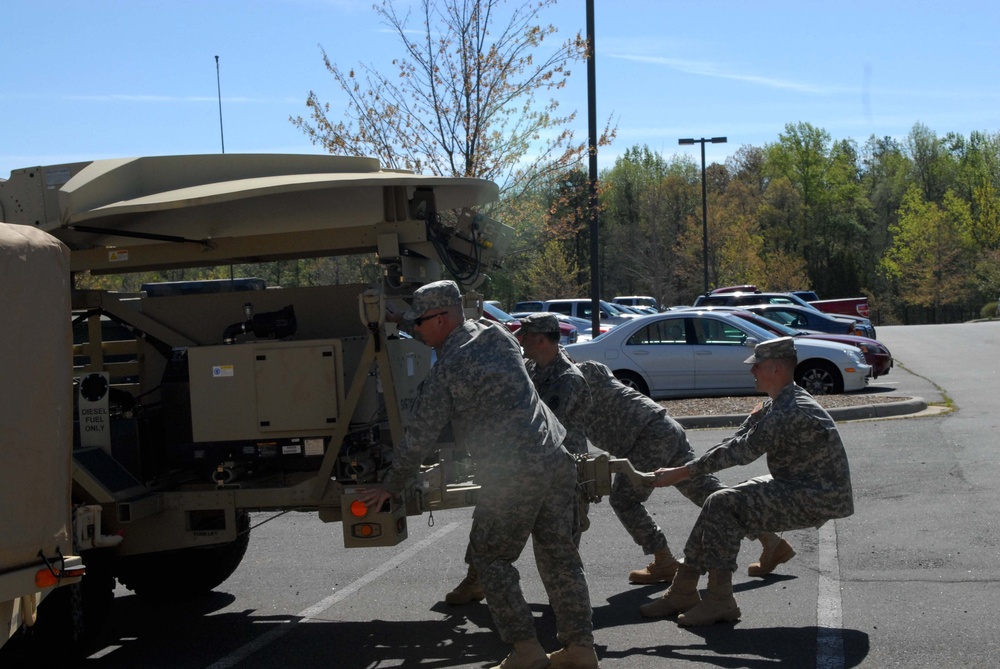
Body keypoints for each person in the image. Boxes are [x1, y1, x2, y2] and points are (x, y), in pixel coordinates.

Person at [358, 281, 598, 669]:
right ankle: (580, 650)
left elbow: (418, 438)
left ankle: (526, 650)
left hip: (513, 473)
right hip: (556, 457)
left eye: (420, 322)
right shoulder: (498, 336)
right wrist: (402, 317)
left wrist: (390, 486)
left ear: (442, 317)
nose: (415, 330)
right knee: (560, 557)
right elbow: (452, 332)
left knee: (492, 560)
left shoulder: (448, 371)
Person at [641, 336, 854, 626]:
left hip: (817, 496)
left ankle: (719, 600)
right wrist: (747, 423)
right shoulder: (780, 402)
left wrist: (681, 472)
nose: (752, 371)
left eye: (758, 366)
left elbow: (741, 452)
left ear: (777, 369)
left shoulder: (790, 410)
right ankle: (683, 589)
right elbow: (736, 441)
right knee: (719, 502)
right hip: (801, 485)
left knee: (723, 503)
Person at [575, 360, 792, 585]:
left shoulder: (571, 378)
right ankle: (772, 542)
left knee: (624, 499)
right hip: (662, 427)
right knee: (707, 492)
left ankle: (663, 561)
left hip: (646, 436)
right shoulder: (586, 369)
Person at [444, 312, 593, 606]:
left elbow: (547, 427)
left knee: (559, 547)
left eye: (524, 335)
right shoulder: (531, 369)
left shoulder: (567, 380)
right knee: (487, 520)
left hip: (560, 473)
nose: (520, 340)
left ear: (540, 339)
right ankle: (476, 580)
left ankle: (567, 608)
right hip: (519, 466)